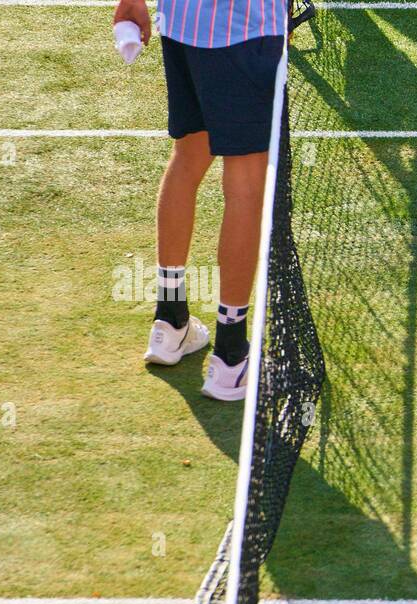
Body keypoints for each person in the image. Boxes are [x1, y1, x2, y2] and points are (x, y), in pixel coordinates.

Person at [114, 0, 289, 401]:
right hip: (246, 29)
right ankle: (230, 357)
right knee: (245, 183)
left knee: (189, 155)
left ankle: (170, 322)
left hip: (181, 23)